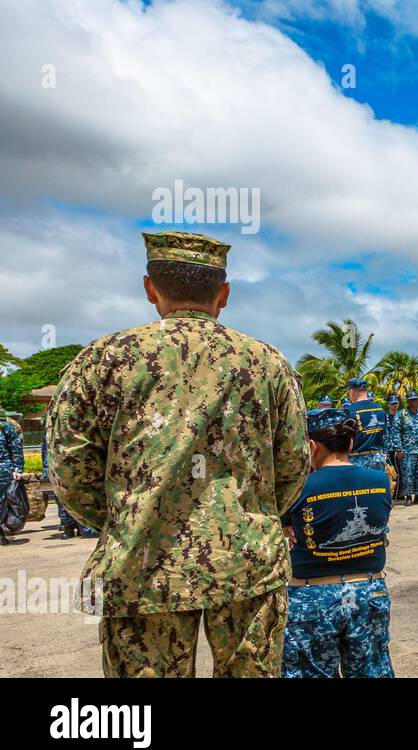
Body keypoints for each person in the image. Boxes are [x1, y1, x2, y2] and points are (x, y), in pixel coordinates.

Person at [46, 231, 309, 677]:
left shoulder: (103, 359)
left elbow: (71, 472)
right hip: (246, 565)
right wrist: (248, 516)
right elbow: (293, 464)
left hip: (140, 568)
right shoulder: (268, 363)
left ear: (150, 289)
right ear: (223, 294)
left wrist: (128, 517)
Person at [281, 408, 393, 678]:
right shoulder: (380, 480)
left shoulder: (299, 486)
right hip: (369, 590)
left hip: (313, 596)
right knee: (372, 671)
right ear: (351, 443)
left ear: (311, 445)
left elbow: (285, 528)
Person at [41, 421, 96, 540]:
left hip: (77, 469)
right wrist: (46, 471)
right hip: (59, 468)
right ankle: (67, 527)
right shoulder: (50, 430)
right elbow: (46, 451)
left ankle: (85, 528)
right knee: (62, 500)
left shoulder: (80, 427)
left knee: (81, 498)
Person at [341, 378, 388, 474]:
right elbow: (386, 435)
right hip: (378, 459)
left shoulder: (348, 411)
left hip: (357, 460)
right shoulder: (380, 410)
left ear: (351, 392)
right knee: (378, 488)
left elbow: (344, 439)